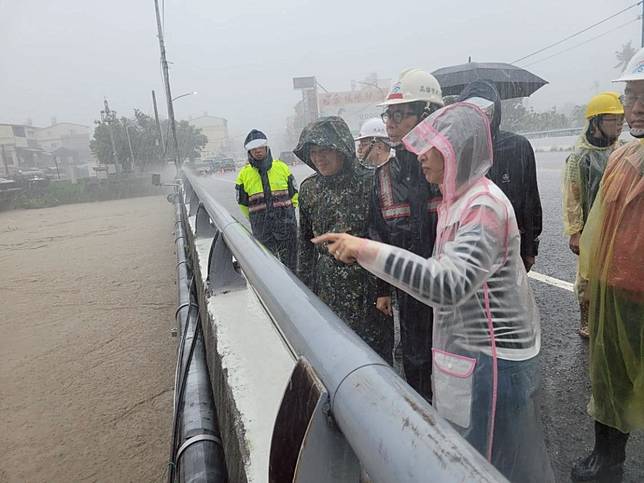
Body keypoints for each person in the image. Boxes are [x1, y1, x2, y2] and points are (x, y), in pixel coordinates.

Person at [313, 102, 554, 483]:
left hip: (494, 362)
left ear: (456, 151)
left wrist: (365, 249)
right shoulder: (454, 201)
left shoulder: (483, 206)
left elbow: (447, 284)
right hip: (471, 360)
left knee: (489, 468)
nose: (421, 159)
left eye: (431, 149)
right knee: (471, 457)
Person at [570, 52, 644, 482]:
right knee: (610, 373)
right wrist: (591, 282)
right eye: (632, 95)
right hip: (615, 290)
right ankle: (607, 455)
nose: (635, 107)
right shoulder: (621, 158)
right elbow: (598, 224)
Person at [369, 68, 444, 401]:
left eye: (399, 114)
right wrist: (383, 288)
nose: (390, 122)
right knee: (415, 360)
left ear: (427, 114)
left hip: (453, 291)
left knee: (455, 367)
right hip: (410, 291)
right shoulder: (384, 176)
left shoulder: (450, 170)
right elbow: (377, 234)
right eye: (388, 114)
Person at [294, 116, 393, 361]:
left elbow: (384, 238)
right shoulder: (308, 190)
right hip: (327, 291)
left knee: (376, 359)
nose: (319, 158)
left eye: (326, 150)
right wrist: (302, 292)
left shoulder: (371, 182)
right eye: (314, 152)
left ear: (342, 148)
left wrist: (385, 290)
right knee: (336, 356)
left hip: (368, 292)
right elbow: (305, 244)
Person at [458, 80, 542, 272]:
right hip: (469, 249)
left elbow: (530, 201)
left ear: (495, 112)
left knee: (509, 299)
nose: (481, 118)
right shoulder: (457, 150)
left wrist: (530, 247)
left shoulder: (518, 146)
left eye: (486, 111)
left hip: (511, 245)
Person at [562, 92, 624, 338]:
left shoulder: (622, 152)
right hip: (590, 229)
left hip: (618, 226)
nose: (619, 126)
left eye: (621, 120)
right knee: (587, 276)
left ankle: (610, 317)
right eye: (613, 120)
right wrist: (575, 232)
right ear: (596, 122)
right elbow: (572, 197)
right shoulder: (580, 157)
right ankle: (586, 319)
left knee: (615, 275)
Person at [235, 129, 298, 270]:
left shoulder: (282, 168)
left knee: (292, 266)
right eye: (253, 149)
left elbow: (294, 193)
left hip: (286, 225)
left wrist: (289, 213)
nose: (257, 151)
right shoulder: (244, 175)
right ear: (249, 152)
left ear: (266, 147)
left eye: (260, 147)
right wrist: (255, 219)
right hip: (262, 228)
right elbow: (243, 203)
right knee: (268, 267)